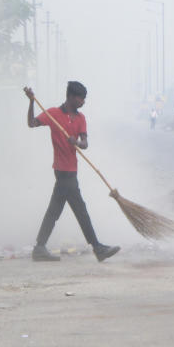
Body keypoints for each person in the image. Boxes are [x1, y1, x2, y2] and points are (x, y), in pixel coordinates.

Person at [24, 82, 121, 262]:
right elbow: (31, 123)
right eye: (80, 98)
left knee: (55, 211)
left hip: (71, 171)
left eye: (84, 98)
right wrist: (31, 102)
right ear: (70, 97)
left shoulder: (81, 118)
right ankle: (97, 248)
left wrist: (76, 143)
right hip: (62, 172)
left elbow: (85, 143)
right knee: (80, 211)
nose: (83, 102)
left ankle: (39, 247)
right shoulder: (53, 114)